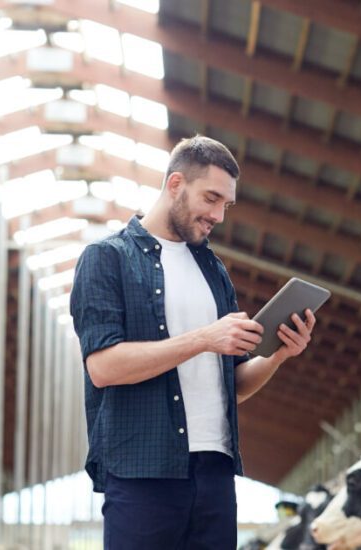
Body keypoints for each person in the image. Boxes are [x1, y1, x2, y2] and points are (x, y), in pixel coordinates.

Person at [70, 135, 318, 549]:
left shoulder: (213, 271)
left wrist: (278, 355)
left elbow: (232, 385)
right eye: (211, 198)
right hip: (142, 471)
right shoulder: (107, 258)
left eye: (226, 205)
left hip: (215, 471)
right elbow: (104, 367)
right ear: (175, 184)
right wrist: (204, 338)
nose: (219, 214)